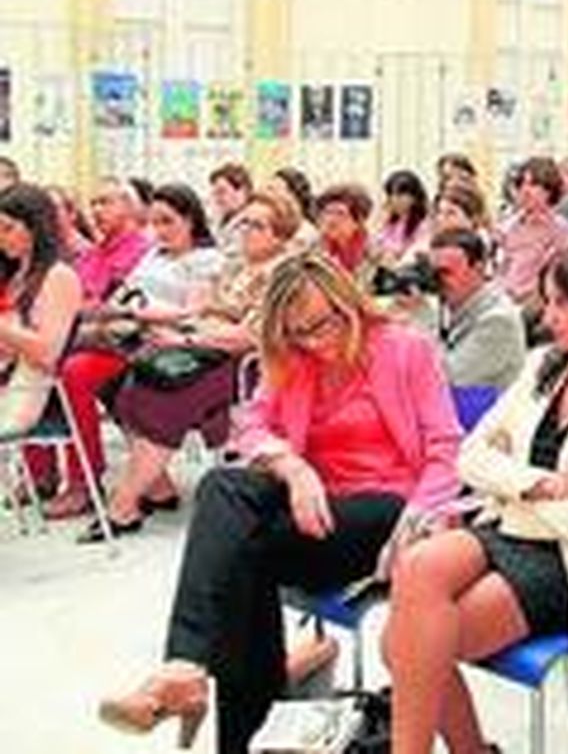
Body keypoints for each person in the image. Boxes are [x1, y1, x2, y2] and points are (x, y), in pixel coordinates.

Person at [97, 253, 463, 754]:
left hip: (391, 511)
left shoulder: (405, 349)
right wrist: (294, 467)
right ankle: (186, 669)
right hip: (315, 511)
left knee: (240, 556)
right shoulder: (294, 357)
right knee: (224, 492)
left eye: (324, 323)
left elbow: (445, 449)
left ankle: (215, 704)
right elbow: (251, 425)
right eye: (300, 332)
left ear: (347, 303)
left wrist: (422, 521)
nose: (317, 340)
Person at [384, 238, 568, 754]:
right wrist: (536, 484)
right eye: (548, 300)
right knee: (418, 570)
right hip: (507, 526)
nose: (548, 315)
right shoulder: (544, 364)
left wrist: (510, 482)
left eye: (564, 304)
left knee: (406, 647)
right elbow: (470, 455)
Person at [86, 192, 294, 542]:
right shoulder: (238, 266)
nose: (245, 231)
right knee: (121, 382)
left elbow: (252, 336)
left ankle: (123, 505)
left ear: (280, 234)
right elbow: (202, 310)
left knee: (159, 396)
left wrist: (186, 339)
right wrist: (178, 329)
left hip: (241, 365)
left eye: (257, 226)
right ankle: (155, 486)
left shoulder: (283, 274)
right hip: (206, 348)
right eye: (244, 223)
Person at [50, 183, 225, 522]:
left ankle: (92, 481)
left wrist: (135, 313)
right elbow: (125, 295)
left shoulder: (205, 259)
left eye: (168, 222)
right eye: (155, 223)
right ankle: (156, 486)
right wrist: (120, 311)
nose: (159, 231)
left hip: (163, 341)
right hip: (129, 333)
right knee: (63, 355)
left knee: (70, 361)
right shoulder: (153, 254)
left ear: (191, 220)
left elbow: (193, 313)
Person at [0, 184, 85, 458]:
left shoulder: (59, 276)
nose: (1, 238)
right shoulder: (14, 276)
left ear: (35, 227)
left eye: (7, 228)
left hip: (25, 390)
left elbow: (48, 353)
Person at [430, 227, 524, 392]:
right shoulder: (452, 303)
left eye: (446, 272)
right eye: (433, 273)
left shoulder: (499, 321)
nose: (437, 281)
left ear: (478, 269)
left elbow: (447, 377)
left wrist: (424, 319)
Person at [498, 156, 568, 314]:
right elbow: (500, 268)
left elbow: (553, 280)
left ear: (549, 190)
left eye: (533, 184)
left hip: (535, 304)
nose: (525, 190)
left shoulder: (560, 230)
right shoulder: (508, 225)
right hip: (503, 298)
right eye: (522, 184)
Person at [75, 176, 154, 306]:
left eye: (105, 202)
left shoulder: (143, 250)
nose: (96, 210)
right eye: (93, 204)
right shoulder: (90, 252)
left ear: (129, 207)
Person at [315, 183, 380, 287]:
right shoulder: (315, 247)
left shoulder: (373, 251)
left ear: (358, 221)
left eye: (340, 213)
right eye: (327, 212)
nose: (331, 220)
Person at [376, 170, 431, 267]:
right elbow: (378, 244)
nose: (394, 200)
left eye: (400, 195)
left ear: (414, 197)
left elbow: (417, 252)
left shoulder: (423, 224)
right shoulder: (391, 221)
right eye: (391, 195)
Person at [207, 162, 253, 258]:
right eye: (214, 193)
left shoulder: (250, 223)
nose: (217, 199)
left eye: (222, 192)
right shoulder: (219, 219)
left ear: (242, 191)